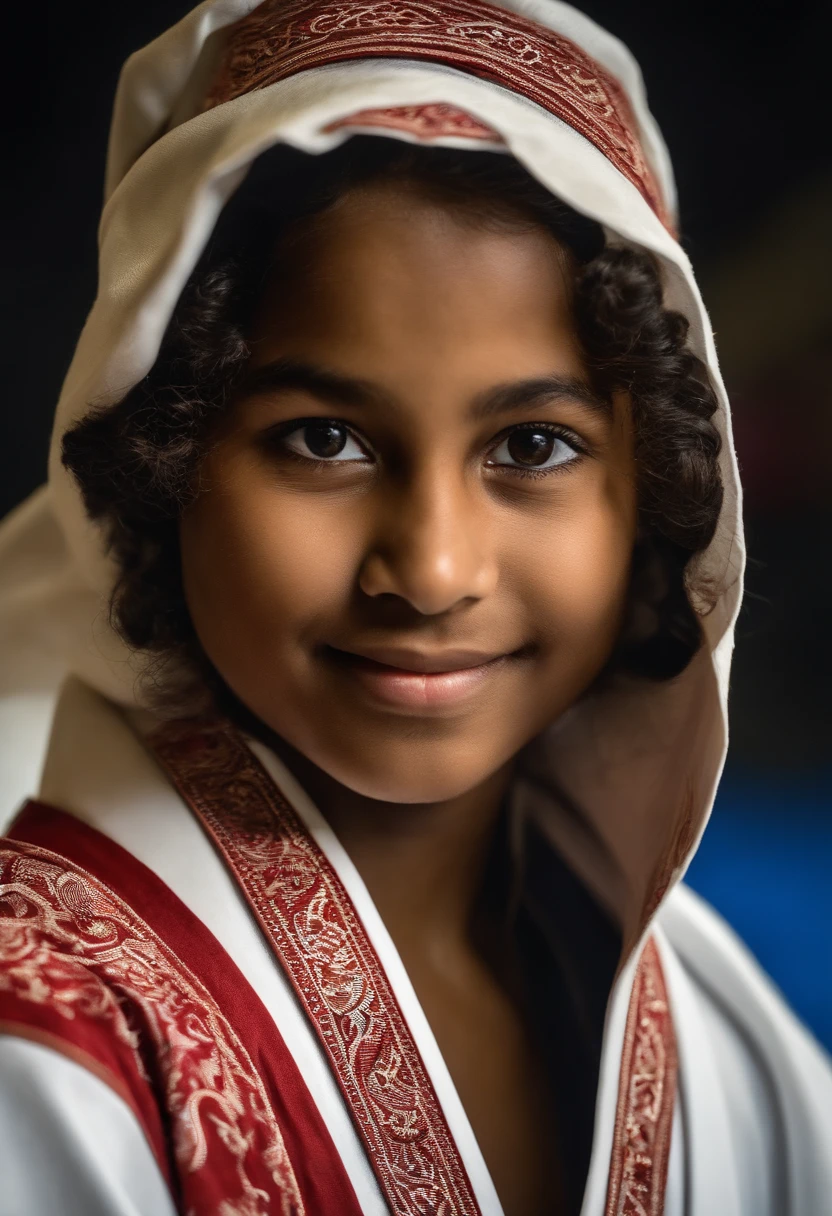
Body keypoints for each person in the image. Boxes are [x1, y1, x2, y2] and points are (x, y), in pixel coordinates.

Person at [0, 2, 829, 1214]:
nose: (432, 569)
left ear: (654, 499)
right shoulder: (45, 1039)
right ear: (163, 464)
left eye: (533, 446)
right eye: (323, 439)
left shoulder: (726, 1041)